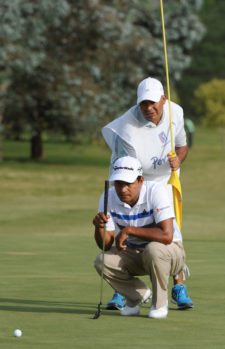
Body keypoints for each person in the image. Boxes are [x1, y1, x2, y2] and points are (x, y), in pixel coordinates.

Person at [101, 77, 193, 310]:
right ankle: (123, 291)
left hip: (164, 180)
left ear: (163, 99)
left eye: (153, 103)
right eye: (143, 104)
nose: (148, 108)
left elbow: (182, 146)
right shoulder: (126, 129)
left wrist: (177, 161)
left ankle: (178, 286)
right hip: (135, 180)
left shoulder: (176, 113)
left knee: (170, 233)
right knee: (124, 228)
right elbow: (128, 169)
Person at [93, 156, 189, 319]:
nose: (122, 189)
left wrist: (130, 230)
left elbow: (166, 235)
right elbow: (106, 245)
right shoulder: (108, 197)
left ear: (140, 180)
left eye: (128, 183)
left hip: (171, 254)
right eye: (118, 183)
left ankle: (160, 304)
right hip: (136, 254)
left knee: (154, 249)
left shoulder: (156, 191)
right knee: (102, 260)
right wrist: (99, 227)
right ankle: (137, 295)